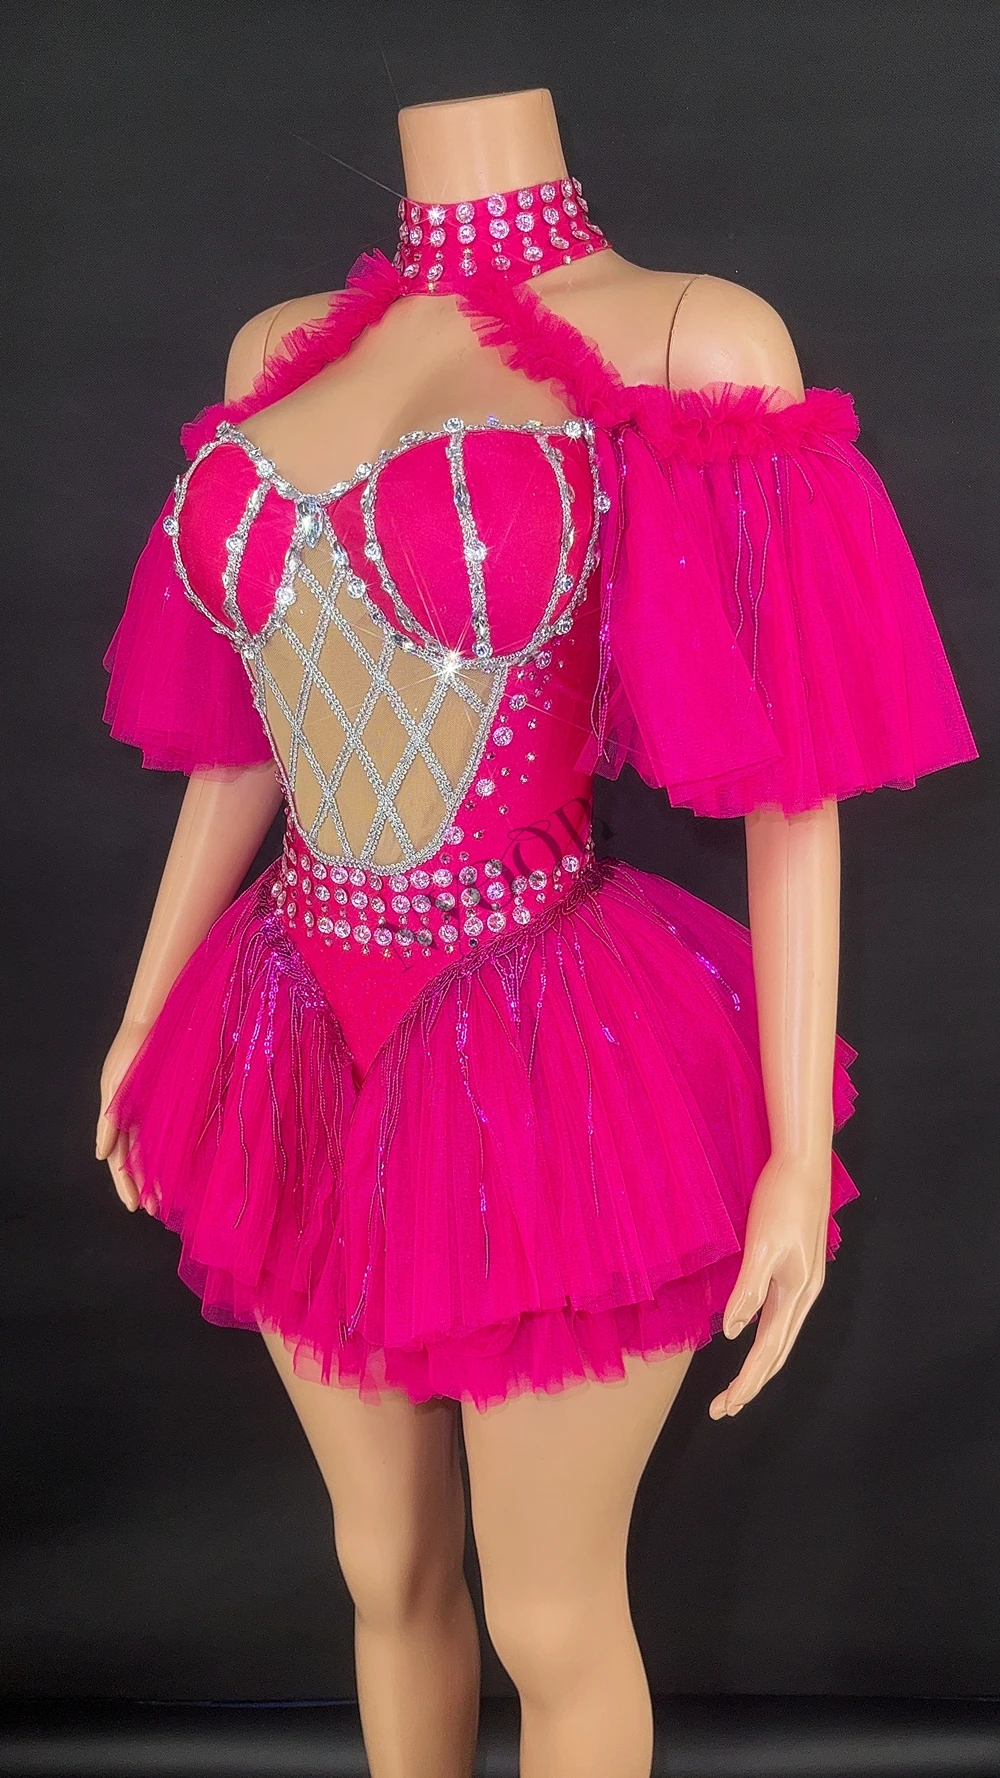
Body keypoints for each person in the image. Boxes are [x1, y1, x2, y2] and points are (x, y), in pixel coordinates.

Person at [94, 88, 977, 1778]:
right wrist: (147, 1010)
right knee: (383, 1568)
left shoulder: (690, 338)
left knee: (551, 1617)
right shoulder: (275, 350)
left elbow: (791, 777)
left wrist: (798, 1151)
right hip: (290, 1027)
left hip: (546, 1045)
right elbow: (247, 727)